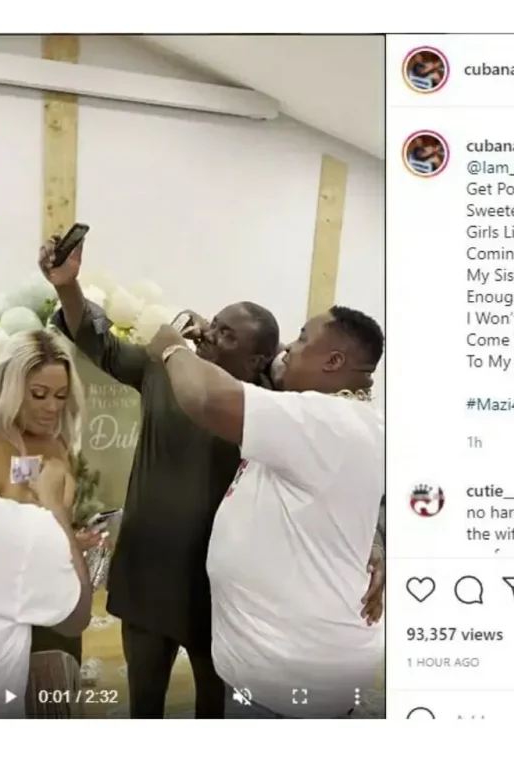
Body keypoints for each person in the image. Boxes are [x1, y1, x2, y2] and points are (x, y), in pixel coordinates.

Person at [38, 237, 385, 718]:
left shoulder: (274, 405)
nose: (206, 335)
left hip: (217, 600)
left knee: (214, 709)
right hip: (149, 576)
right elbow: (98, 342)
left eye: (226, 335)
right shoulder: (162, 374)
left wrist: (377, 542)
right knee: (144, 705)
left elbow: (360, 485)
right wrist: (68, 286)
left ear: (259, 362)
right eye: (212, 324)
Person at [146, 304, 385, 718]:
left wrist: (172, 349)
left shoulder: (326, 420)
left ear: (333, 361)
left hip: (289, 676)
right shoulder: (341, 416)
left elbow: (206, 397)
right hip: (276, 660)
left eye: (303, 339)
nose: (288, 348)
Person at [0, 330, 102, 717]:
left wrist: (68, 540)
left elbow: (54, 525)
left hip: (60, 602)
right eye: (39, 394)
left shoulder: (59, 444)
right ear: (9, 389)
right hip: (9, 623)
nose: (52, 407)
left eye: (61, 395)